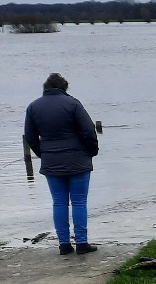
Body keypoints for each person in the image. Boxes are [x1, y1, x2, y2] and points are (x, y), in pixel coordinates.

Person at [23, 73, 100, 257]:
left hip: (52, 161)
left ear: (45, 87)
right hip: (78, 160)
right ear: (64, 88)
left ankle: (64, 244)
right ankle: (81, 243)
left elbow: (31, 136)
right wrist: (92, 151)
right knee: (79, 201)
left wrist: (44, 154)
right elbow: (89, 131)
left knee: (59, 202)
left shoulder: (33, 107)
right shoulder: (73, 104)